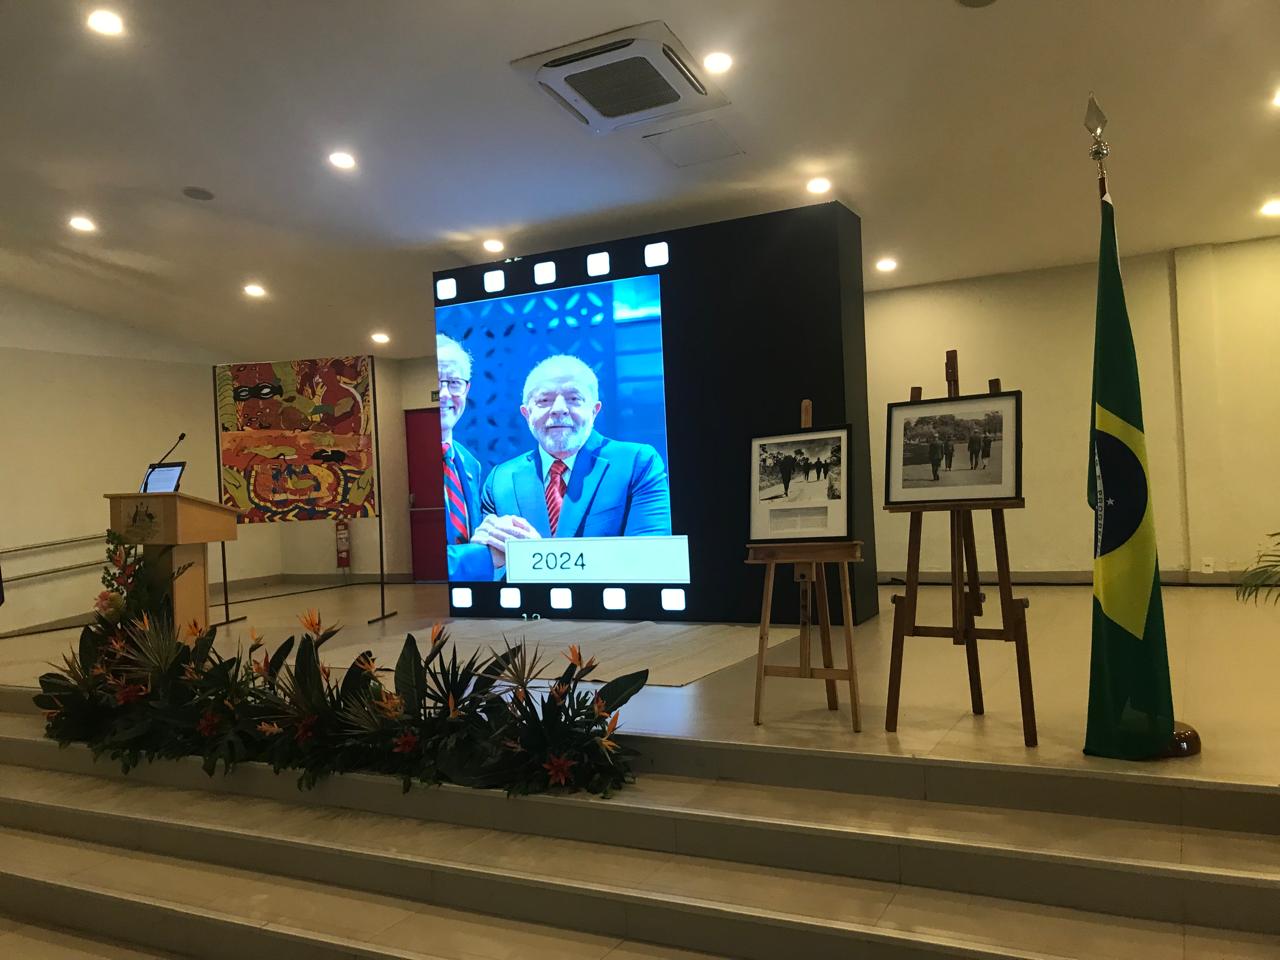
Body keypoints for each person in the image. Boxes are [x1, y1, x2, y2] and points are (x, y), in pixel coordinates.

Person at [478, 355, 671, 572]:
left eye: (573, 398)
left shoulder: (637, 463)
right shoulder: (500, 480)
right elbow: (491, 570)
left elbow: (651, 559)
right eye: (544, 400)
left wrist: (537, 556)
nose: (558, 409)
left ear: (594, 410)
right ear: (526, 413)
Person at [435, 335, 537, 581]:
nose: (444, 393)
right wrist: (484, 556)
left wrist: (498, 535)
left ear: (467, 389)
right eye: (435, 382)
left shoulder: (470, 463)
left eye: (454, 382)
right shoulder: (400, 461)